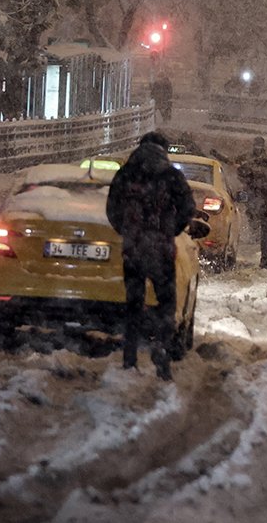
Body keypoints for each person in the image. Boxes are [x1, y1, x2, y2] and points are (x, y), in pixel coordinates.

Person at [105, 131, 195, 380]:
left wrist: (127, 231)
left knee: (133, 304)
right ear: (163, 149)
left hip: (133, 250)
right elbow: (188, 207)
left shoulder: (126, 173)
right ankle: (161, 351)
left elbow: (112, 208)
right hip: (161, 250)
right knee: (166, 304)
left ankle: (129, 358)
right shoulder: (171, 175)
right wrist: (171, 230)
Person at [236, 136, 267, 270]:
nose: (258, 147)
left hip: (264, 193)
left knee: (264, 221)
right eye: (256, 144)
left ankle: (260, 244)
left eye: (260, 145)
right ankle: (253, 231)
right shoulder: (248, 157)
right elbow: (237, 166)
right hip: (252, 190)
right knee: (251, 212)